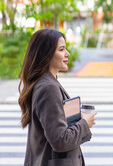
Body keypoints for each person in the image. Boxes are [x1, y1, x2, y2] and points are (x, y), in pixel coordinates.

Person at [18, 28, 97, 166]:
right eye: (61, 49)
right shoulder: (48, 87)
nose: (67, 54)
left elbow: (53, 126)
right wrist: (85, 123)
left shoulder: (46, 82)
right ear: (46, 54)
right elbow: (60, 141)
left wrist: (77, 117)